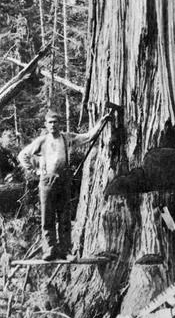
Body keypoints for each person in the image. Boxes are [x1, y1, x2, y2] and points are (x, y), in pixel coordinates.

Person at [18, 109, 110, 260]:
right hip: (47, 182)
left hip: (63, 181)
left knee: (64, 218)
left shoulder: (67, 138)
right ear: (46, 125)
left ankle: (66, 251)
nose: (53, 125)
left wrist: (101, 122)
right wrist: (35, 172)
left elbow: (87, 137)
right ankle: (50, 250)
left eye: (55, 122)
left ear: (59, 124)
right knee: (47, 218)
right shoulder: (42, 141)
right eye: (50, 122)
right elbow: (23, 155)